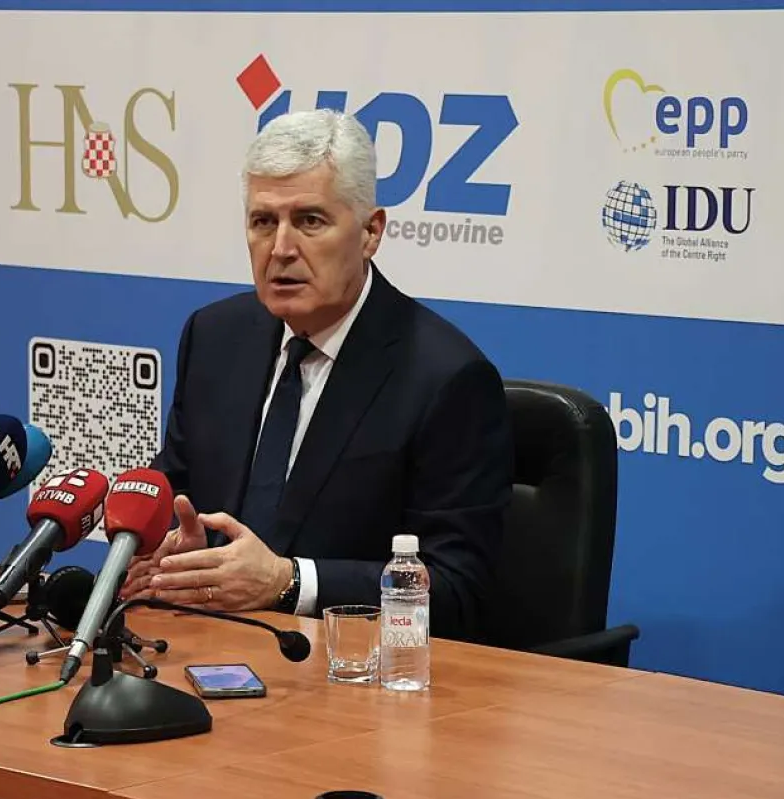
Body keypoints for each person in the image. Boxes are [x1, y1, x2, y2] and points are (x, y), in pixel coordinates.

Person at [121, 109, 512, 643]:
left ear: (371, 232)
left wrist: (288, 583)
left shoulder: (446, 378)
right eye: (263, 222)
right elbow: (177, 494)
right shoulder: (214, 338)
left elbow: (457, 589)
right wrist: (171, 552)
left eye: (309, 221)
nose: (281, 248)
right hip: (212, 647)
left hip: (351, 667)